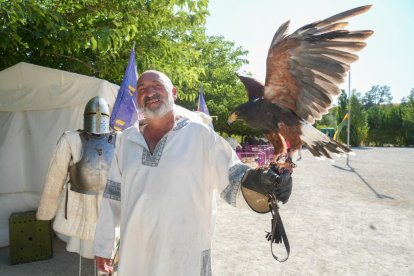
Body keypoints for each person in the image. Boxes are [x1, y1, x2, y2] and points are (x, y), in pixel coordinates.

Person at [94, 70, 293, 275]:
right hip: (135, 256)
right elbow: (112, 196)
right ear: (137, 99)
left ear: (174, 92)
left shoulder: (200, 135)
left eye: (157, 85)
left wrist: (262, 184)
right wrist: (104, 245)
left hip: (184, 257)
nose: (149, 92)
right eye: (142, 89)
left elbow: (233, 180)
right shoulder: (125, 140)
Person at [36, 96, 117, 270]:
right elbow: (55, 177)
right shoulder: (71, 139)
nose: (97, 117)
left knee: (108, 250)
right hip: (81, 207)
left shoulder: (120, 139)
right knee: (89, 248)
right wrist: (46, 212)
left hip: (110, 206)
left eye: (101, 113)